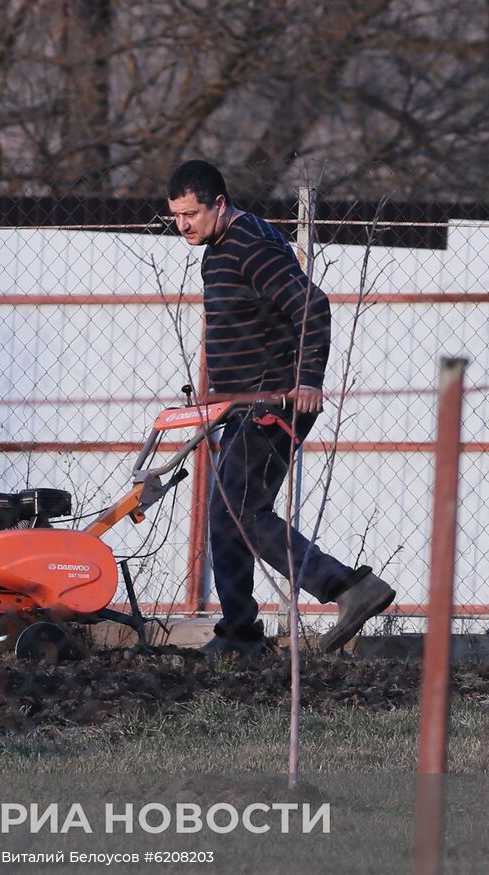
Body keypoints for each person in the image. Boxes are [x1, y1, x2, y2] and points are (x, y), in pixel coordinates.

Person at [166, 159, 395, 657]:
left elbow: (312, 306)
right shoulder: (217, 249)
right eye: (176, 216)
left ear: (219, 204)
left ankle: (348, 588)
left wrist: (307, 379)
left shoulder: (249, 245)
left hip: (274, 401)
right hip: (241, 405)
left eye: (191, 214)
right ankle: (240, 635)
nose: (183, 225)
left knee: (244, 511)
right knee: (226, 518)